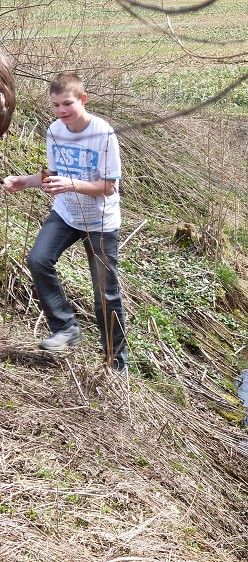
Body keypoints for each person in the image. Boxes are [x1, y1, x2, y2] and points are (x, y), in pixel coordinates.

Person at [2, 71, 127, 371]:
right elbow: (54, 175)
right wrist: (26, 181)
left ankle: (115, 363)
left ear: (83, 100)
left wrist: (71, 184)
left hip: (100, 221)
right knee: (38, 259)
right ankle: (66, 328)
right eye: (55, 105)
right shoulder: (55, 131)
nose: (61, 111)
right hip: (66, 213)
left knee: (105, 295)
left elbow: (108, 186)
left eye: (67, 104)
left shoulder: (103, 133)